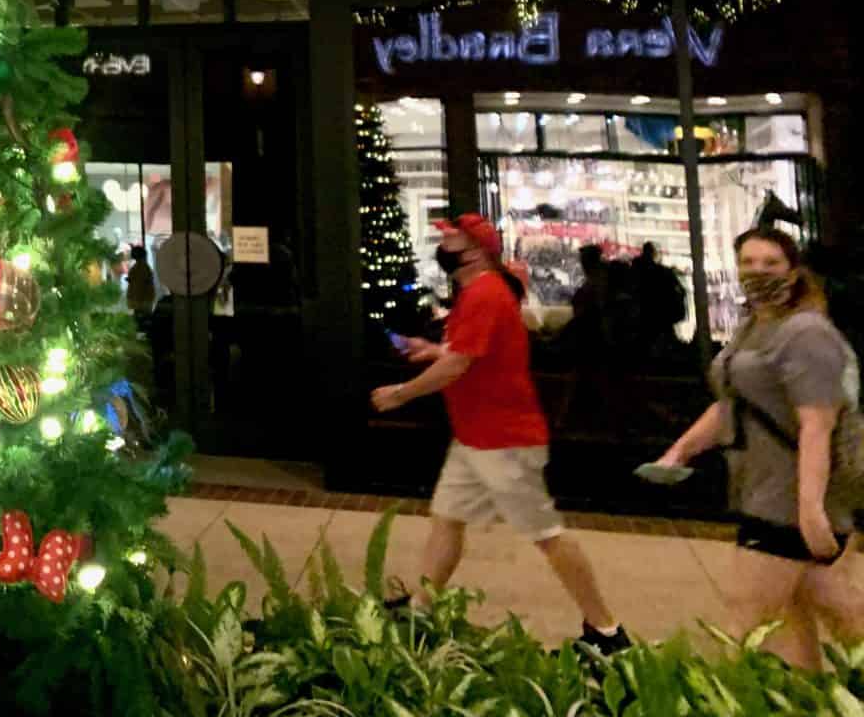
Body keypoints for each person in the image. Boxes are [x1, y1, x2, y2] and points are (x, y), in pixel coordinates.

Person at [370, 211, 628, 655]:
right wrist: (434, 349)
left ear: (474, 252)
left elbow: (459, 364)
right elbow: (467, 352)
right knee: (447, 518)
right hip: (477, 436)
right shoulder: (479, 294)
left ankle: (606, 630)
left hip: (503, 440)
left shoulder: (485, 294)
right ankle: (421, 606)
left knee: (547, 533)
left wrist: (402, 394)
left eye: (449, 241)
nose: (443, 249)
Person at [653, 225, 864, 670]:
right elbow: (734, 403)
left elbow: (816, 425)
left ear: (793, 270)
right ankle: (808, 710)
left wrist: (809, 510)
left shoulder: (807, 334)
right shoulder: (756, 327)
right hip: (764, 489)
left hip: (789, 502)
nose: (757, 272)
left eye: (770, 263)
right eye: (748, 263)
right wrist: (679, 452)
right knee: (820, 614)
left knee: (745, 621)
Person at [124, 244, 156, 315]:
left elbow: (140, 282)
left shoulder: (139, 266)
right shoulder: (144, 266)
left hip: (140, 298)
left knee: (140, 317)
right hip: (143, 297)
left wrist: (131, 280)